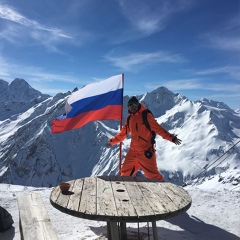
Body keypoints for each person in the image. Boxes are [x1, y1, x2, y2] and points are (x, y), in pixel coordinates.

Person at [108, 96, 181, 181]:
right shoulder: (129, 119)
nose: (132, 108)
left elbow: (158, 129)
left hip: (146, 152)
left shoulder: (146, 115)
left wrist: (171, 138)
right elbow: (122, 134)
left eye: (134, 105)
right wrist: (111, 142)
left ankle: (165, 192)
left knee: (154, 177)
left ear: (138, 105)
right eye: (130, 106)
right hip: (133, 152)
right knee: (124, 173)